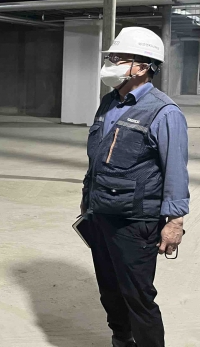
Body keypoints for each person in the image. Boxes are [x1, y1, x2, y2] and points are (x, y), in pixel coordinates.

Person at [81, 27, 190, 347]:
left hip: (135, 220)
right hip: (100, 213)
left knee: (138, 296)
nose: (110, 64)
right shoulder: (108, 102)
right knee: (110, 291)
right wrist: (88, 200)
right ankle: (122, 340)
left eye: (118, 58)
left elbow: (175, 169)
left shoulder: (164, 112)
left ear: (141, 67)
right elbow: (98, 158)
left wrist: (175, 221)